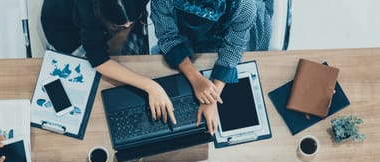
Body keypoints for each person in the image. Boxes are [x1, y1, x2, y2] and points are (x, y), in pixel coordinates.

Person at [41, 0, 177, 124]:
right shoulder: (86, 11)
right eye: (118, 26)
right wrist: (151, 86)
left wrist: (125, 30)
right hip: (65, 29)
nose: (127, 26)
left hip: (100, 17)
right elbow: (98, 59)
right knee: (89, 83)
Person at [151, 0, 274, 134]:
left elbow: (233, 49)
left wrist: (211, 97)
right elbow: (168, 37)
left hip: (225, 36)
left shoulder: (244, 5)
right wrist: (196, 79)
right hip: (183, 37)